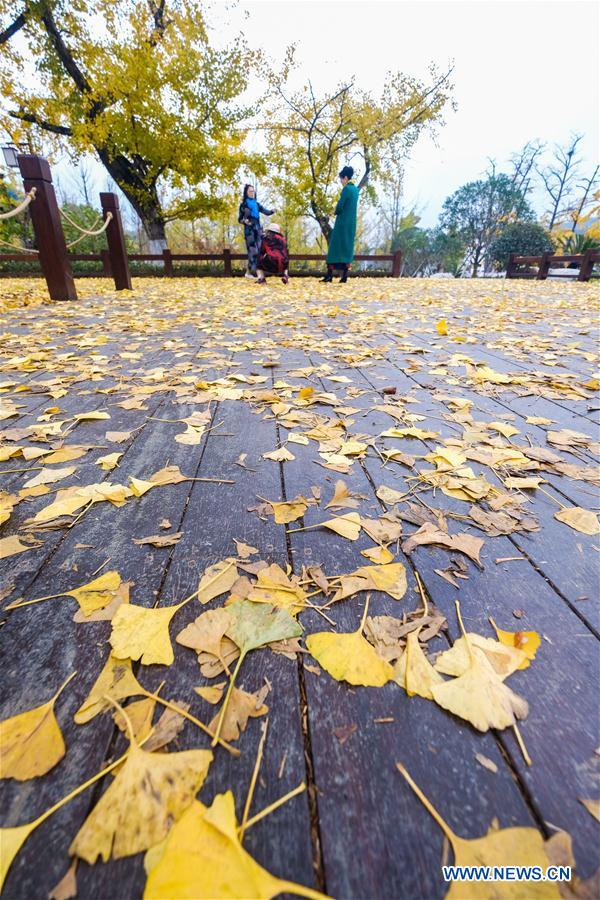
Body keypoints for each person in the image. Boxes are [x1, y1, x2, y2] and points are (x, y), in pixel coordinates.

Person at [321, 165, 359, 283]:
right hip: (351, 223)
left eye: (341, 179)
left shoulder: (347, 189)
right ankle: (344, 276)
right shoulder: (355, 190)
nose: (341, 182)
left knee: (334, 248)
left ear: (346, 177)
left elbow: (340, 206)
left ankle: (329, 275)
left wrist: (333, 212)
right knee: (346, 248)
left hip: (342, 223)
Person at [238, 184, 274, 279]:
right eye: (250, 191)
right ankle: (258, 275)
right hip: (249, 230)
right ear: (246, 193)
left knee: (259, 252)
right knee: (253, 251)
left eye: (253, 191)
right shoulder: (243, 205)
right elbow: (239, 219)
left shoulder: (257, 204)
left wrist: (272, 211)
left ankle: (248, 272)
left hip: (258, 230)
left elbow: (265, 211)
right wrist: (244, 221)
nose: (252, 193)